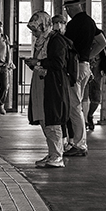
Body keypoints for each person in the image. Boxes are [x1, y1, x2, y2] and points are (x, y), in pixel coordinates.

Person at [25, 11, 72, 168]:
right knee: (45, 120)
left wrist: (37, 62)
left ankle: (57, 155)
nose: (34, 34)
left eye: (36, 30)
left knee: (53, 120)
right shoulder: (42, 41)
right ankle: (52, 152)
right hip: (43, 84)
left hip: (53, 85)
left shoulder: (56, 41)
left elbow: (58, 63)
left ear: (44, 26)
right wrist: (36, 63)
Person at [61, 0, 97, 157]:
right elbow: (102, 42)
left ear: (72, 7)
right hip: (85, 66)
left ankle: (79, 144)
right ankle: (79, 142)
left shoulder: (73, 24)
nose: (67, 12)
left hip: (75, 68)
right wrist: (87, 57)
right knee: (78, 104)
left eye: (67, 8)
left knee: (74, 107)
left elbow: (66, 46)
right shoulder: (90, 22)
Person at [86, 29, 106, 132]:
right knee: (83, 96)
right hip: (84, 68)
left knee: (96, 97)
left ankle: (89, 115)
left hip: (96, 70)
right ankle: (84, 118)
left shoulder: (99, 36)